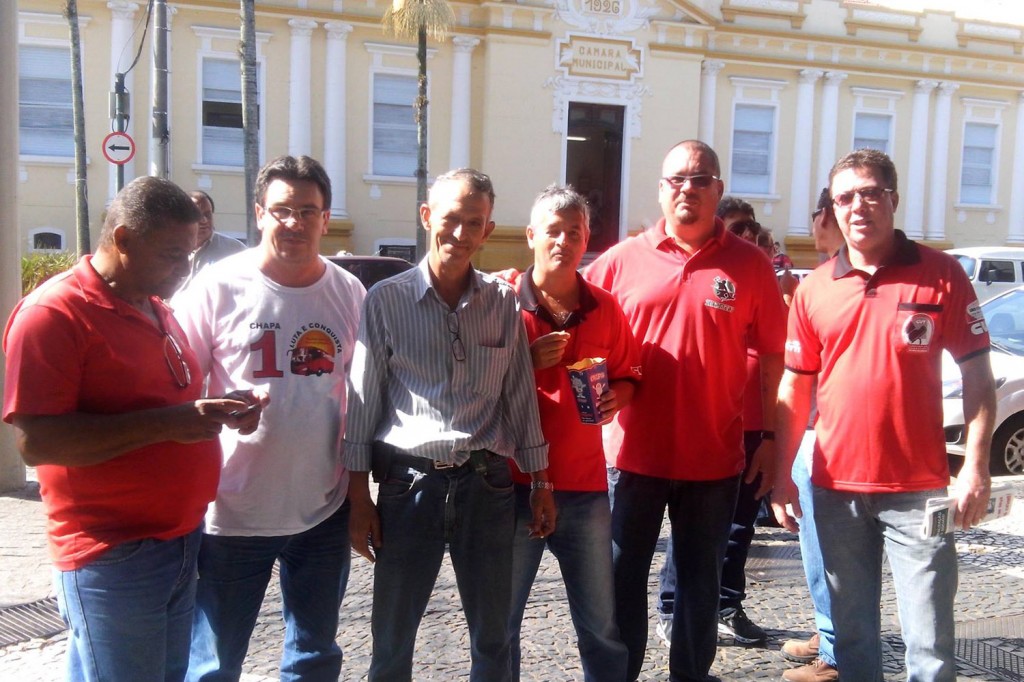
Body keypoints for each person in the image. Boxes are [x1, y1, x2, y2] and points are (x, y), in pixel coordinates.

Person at [2, 176, 260, 682]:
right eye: (172, 255)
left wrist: (222, 410)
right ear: (122, 239)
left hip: (180, 539)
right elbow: (37, 442)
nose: (185, 269)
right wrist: (170, 424)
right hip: (112, 552)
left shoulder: (154, 304)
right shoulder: (54, 314)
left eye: (190, 254)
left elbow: (166, 401)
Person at [772, 149, 996, 682]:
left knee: (930, 643)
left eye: (871, 193)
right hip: (834, 490)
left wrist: (976, 466)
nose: (858, 206)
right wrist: (782, 475)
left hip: (919, 490)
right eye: (845, 197)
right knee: (851, 638)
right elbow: (794, 387)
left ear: (893, 199)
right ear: (833, 208)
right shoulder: (814, 289)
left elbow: (978, 375)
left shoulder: (941, 275)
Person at [585, 140, 787, 682]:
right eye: (677, 179)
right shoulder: (621, 260)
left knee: (700, 585)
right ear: (661, 189)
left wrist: (771, 439)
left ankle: (690, 676)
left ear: (717, 190)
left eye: (700, 179)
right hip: (632, 456)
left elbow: (773, 357)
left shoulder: (750, 264)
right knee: (621, 580)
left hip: (714, 460)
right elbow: (574, 316)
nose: (688, 190)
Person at [344, 168, 555, 682]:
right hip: (409, 486)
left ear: (488, 230)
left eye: (474, 223)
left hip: (487, 485)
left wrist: (541, 482)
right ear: (426, 217)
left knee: (493, 637)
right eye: (451, 219)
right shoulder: (386, 300)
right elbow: (362, 403)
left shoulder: (502, 301)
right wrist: (359, 498)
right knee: (392, 638)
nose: (460, 234)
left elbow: (519, 395)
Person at [175, 156, 365, 681]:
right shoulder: (216, 287)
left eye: (307, 211)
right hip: (233, 513)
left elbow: (361, 397)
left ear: (325, 219)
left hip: (322, 511)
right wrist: (219, 413)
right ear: (260, 213)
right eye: (282, 210)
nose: (294, 222)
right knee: (213, 665)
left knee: (314, 657)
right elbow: (178, 393)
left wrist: (358, 493)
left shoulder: (348, 292)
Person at [506, 185, 640, 681]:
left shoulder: (605, 306)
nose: (563, 241)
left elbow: (630, 374)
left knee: (600, 626)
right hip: (513, 484)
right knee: (500, 624)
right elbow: (471, 386)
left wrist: (617, 397)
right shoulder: (502, 303)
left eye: (574, 232)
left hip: (584, 487)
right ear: (531, 236)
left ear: (586, 240)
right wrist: (525, 361)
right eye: (553, 231)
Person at [778, 188, 845, 682]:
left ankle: (836, 653)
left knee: (827, 551)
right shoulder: (819, 279)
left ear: (828, 216)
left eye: (816, 214)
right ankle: (828, 633)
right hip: (811, 431)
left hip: (826, 433)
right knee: (814, 548)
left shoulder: (840, 280)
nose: (813, 224)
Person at [180, 190, 245, 290]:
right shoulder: (170, 249)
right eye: (197, 215)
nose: (204, 221)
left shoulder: (235, 250)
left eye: (208, 215)